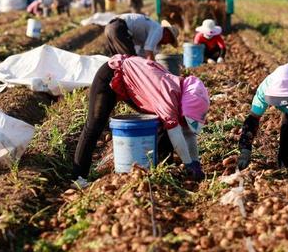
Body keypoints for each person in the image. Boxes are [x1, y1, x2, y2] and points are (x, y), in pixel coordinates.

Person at [73, 55, 210, 181]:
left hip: (131, 84)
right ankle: (78, 177)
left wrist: (196, 162)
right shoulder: (168, 96)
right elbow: (176, 134)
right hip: (113, 73)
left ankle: (160, 167)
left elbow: (188, 133)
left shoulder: (184, 96)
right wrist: (188, 164)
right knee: (94, 125)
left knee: (164, 127)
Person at [104, 13, 179, 60]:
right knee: (131, 62)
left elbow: (141, 54)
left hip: (109, 27)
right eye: (169, 40)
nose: (166, 44)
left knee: (116, 61)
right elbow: (148, 52)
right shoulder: (159, 30)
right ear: (167, 33)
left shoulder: (151, 32)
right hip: (119, 28)